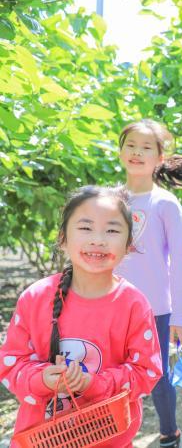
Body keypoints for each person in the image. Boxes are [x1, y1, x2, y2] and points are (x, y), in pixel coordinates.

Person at [0, 186, 163, 447]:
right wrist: (41, 379)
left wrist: (94, 383)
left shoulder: (133, 304)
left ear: (128, 244)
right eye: (85, 228)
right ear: (63, 238)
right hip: (41, 439)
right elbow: (10, 364)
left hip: (109, 440)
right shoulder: (36, 298)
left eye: (112, 230)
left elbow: (147, 372)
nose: (98, 239)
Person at [115, 119, 182, 448]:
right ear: (120, 151)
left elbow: (181, 262)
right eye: (130, 145)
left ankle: (169, 432)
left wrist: (180, 316)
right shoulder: (110, 199)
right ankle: (119, 436)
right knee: (114, 373)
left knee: (159, 374)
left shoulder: (164, 203)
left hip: (156, 308)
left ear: (160, 158)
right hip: (114, 305)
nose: (136, 152)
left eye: (146, 147)